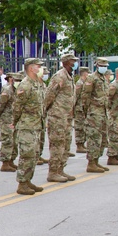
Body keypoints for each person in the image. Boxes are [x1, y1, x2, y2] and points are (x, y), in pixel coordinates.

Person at [12, 58, 46, 195]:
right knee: (27, 155)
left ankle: (28, 180)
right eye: (38, 66)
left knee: (34, 155)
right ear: (31, 68)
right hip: (27, 125)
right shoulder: (25, 85)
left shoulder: (38, 84)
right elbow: (17, 107)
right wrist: (15, 122)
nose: (40, 69)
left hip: (36, 125)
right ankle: (22, 183)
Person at [43, 53, 78, 183]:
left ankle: (60, 169)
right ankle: (53, 172)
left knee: (66, 144)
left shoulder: (69, 77)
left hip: (67, 116)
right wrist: (45, 112)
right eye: (72, 62)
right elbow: (49, 95)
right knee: (57, 144)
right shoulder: (59, 76)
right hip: (57, 116)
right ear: (65, 63)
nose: (74, 64)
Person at [82, 58, 111, 173]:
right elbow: (85, 96)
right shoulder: (91, 78)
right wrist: (88, 111)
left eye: (106, 65)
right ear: (97, 65)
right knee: (94, 138)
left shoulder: (103, 78)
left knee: (102, 139)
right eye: (102, 65)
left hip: (103, 112)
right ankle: (91, 163)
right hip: (94, 112)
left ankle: (97, 161)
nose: (104, 67)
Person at [0, 72, 22, 172]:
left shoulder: (18, 90)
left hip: (14, 119)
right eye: (16, 80)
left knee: (14, 141)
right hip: (6, 119)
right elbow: (1, 104)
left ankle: (11, 161)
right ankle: (5, 163)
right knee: (7, 141)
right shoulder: (7, 90)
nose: (18, 82)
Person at [74, 67, 90, 153]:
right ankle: (79, 145)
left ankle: (82, 143)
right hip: (79, 109)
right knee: (79, 127)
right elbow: (75, 96)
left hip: (83, 108)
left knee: (84, 127)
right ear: (84, 73)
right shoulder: (79, 83)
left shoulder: (85, 83)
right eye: (87, 73)